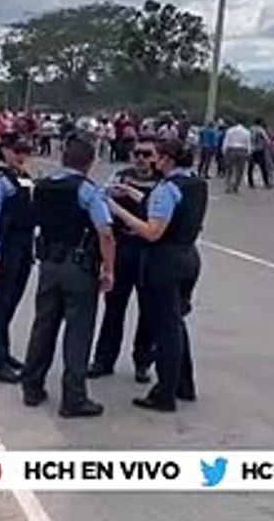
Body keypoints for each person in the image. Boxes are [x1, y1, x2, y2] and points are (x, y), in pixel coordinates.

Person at [107, 139, 208, 413]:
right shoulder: (195, 184)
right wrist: (130, 191)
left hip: (164, 261)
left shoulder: (167, 188)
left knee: (166, 329)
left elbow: (153, 230)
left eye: (158, 157)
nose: (153, 162)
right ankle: (183, 384)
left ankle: (165, 392)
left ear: (167, 160)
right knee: (177, 322)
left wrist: (119, 211)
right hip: (188, 256)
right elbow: (161, 206)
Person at [20, 135, 116, 418]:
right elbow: (106, 233)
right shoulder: (87, 190)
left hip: (49, 263)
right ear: (90, 163)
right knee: (78, 331)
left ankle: (32, 385)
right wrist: (108, 269)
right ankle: (73, 397)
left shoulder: (43, 186)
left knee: (44, 326)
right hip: (79, 265)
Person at [88, 135, 158, 383]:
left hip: (149, 250)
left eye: (147, 154)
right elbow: (102, 204)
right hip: (123, 247)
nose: (141, 159)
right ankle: (103, 360)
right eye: (137, 153)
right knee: (113, 307)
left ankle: (143, 362)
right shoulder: (120, 177)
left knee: (148, 310)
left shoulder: (161, 183)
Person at [0, 133, 36, 384]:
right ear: (4, 151)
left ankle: (3, 352)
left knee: (11, 303)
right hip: (4, 248)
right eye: (17, 150)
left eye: (25, 150)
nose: (21, 156)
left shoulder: (26, 179)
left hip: (23, 248)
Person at [221, 119, 251, 193]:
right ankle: (236, 186)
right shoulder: (247, 132)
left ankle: (228, 186)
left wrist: (224, 151)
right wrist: (248, 153)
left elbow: (226, 141)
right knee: (240, 170)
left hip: (231, 150)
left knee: (229, 170)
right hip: (242, 150)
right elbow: (248, 143)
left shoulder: (230, 130)